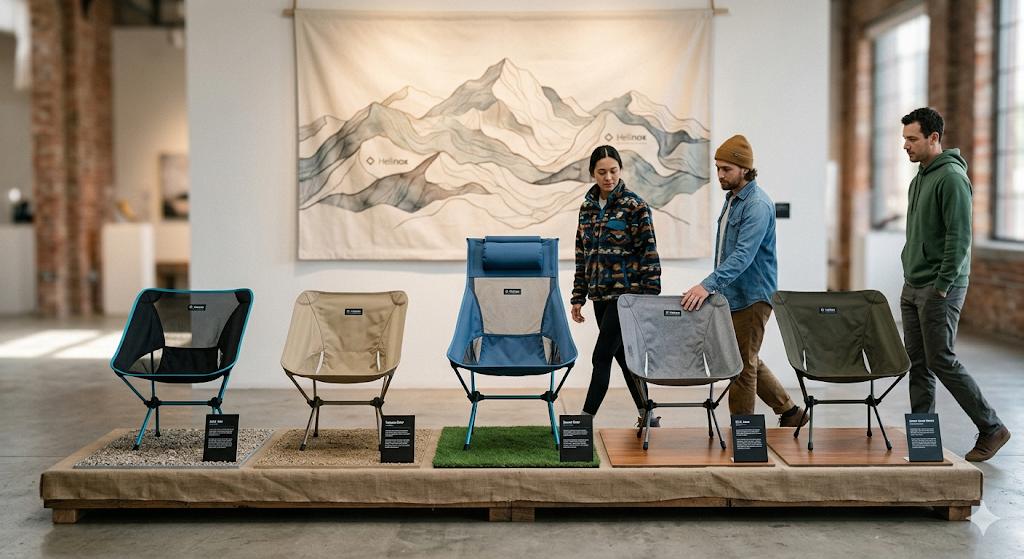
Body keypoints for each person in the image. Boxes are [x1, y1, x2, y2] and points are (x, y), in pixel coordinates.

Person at [899, 107, 1010, 462]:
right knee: (918, 364)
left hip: (939, 286)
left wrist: (943, 285)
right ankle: (923, 441)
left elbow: (959, 238)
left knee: (941, 359)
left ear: (934, 138)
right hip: (914, 282)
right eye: (904, 139)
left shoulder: (951, 178)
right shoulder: (919, 178)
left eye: (912, 139)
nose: (906, 145)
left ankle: (992, 427)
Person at [680, 135, 807, 426]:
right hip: (733, 295)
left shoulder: (757, 205)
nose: (720, 175)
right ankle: (790, 413)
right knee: (744, 357)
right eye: (718, 168)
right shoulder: (733, 201)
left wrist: (706, 285)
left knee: (741, 365)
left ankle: (744, 431)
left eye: (726, 169)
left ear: (745, 169)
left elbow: (742, 255)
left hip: (752, 296)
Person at [570, 145, 661, 424]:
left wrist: (649, 298)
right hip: (599, 297)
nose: (608, 177)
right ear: (592, 173)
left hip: (627, 298)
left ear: (620, 170)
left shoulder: (635, 206)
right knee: (623, 357)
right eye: (602, 172)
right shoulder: (586, 209)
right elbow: (582, 254)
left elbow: (649, 253)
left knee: (601, 356)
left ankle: (584, 421)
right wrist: (578, 296)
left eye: (613, 171)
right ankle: (648, 415)